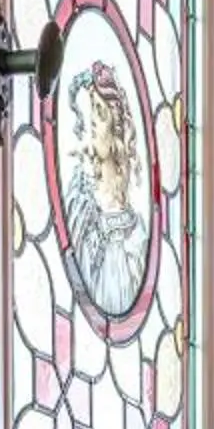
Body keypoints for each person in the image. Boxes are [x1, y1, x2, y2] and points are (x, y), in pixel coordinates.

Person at [63, 57, 148, 321]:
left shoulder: (137, 232)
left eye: (97, 118)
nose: (89, 129)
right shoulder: (80, 205)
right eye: (87, 120)